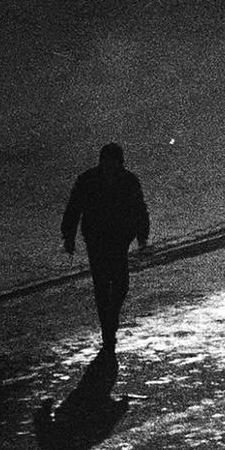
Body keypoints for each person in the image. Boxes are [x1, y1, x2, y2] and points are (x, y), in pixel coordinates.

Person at [60, 143, 150, 354]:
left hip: (119, 239)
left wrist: (142, 233)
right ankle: (108, 330)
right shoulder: (89, 180)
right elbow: (74, 208)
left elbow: (139, 208)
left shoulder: (128, 181)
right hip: (97, 240)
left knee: (121, 284)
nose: (109, 165)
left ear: (119, 162)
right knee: (102, 285)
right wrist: (69, 236)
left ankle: (110, 321)